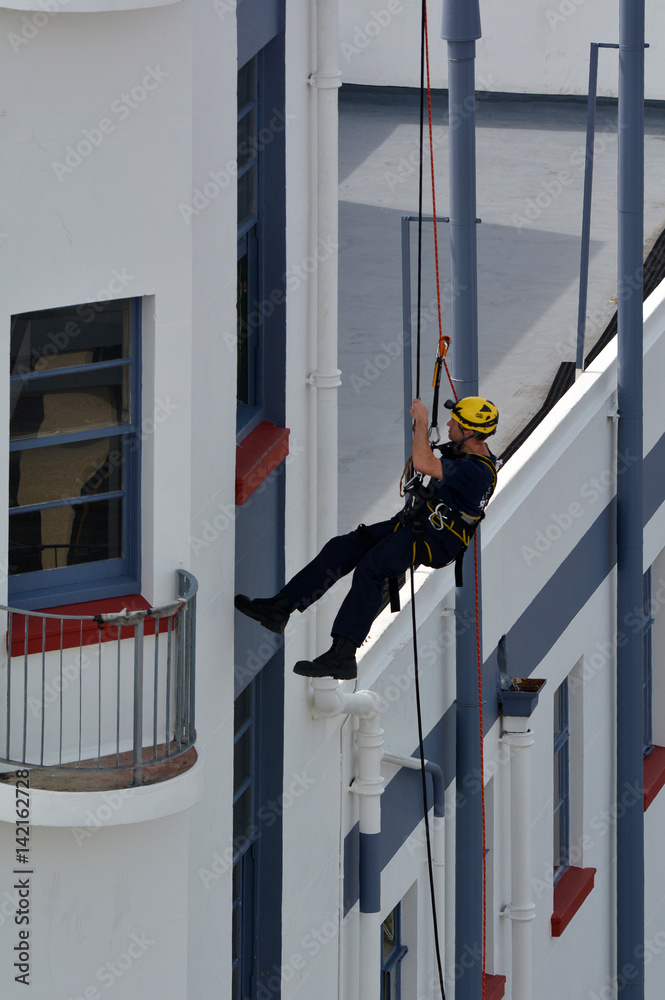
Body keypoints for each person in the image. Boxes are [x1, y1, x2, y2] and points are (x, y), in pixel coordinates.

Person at [235, 395, 499, 680]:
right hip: (420, 525)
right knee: (345, 547)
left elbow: (424, 463)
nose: (449, 423)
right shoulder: (467, 456)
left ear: (470, 433)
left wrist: (421, 422)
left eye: (455, 423)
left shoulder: (477, 472)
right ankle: (280, 608)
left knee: (372, 569)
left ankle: (343, 655)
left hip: (436, 540)